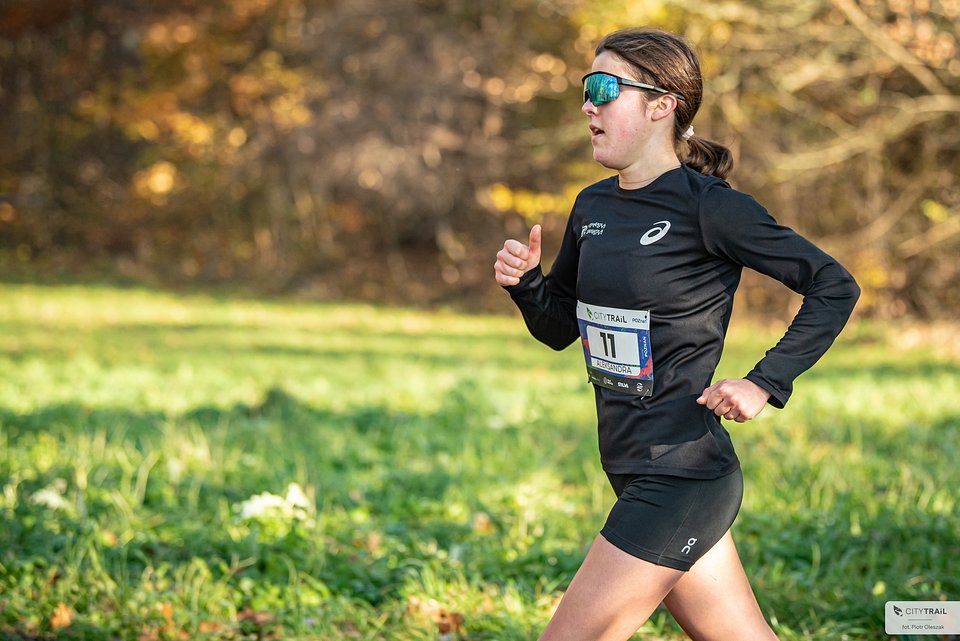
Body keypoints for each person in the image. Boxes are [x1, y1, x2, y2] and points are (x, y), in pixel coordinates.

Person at [493, 27, 860, 641]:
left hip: (682, 474)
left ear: (661, 104)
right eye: (586, 88)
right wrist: (527, 285)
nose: (587, 105)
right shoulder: (592, 208)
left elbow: (834, 284)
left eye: (604, 88)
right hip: (628, 464)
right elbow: (560, 328)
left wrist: (765, 382)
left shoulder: (710, 207)